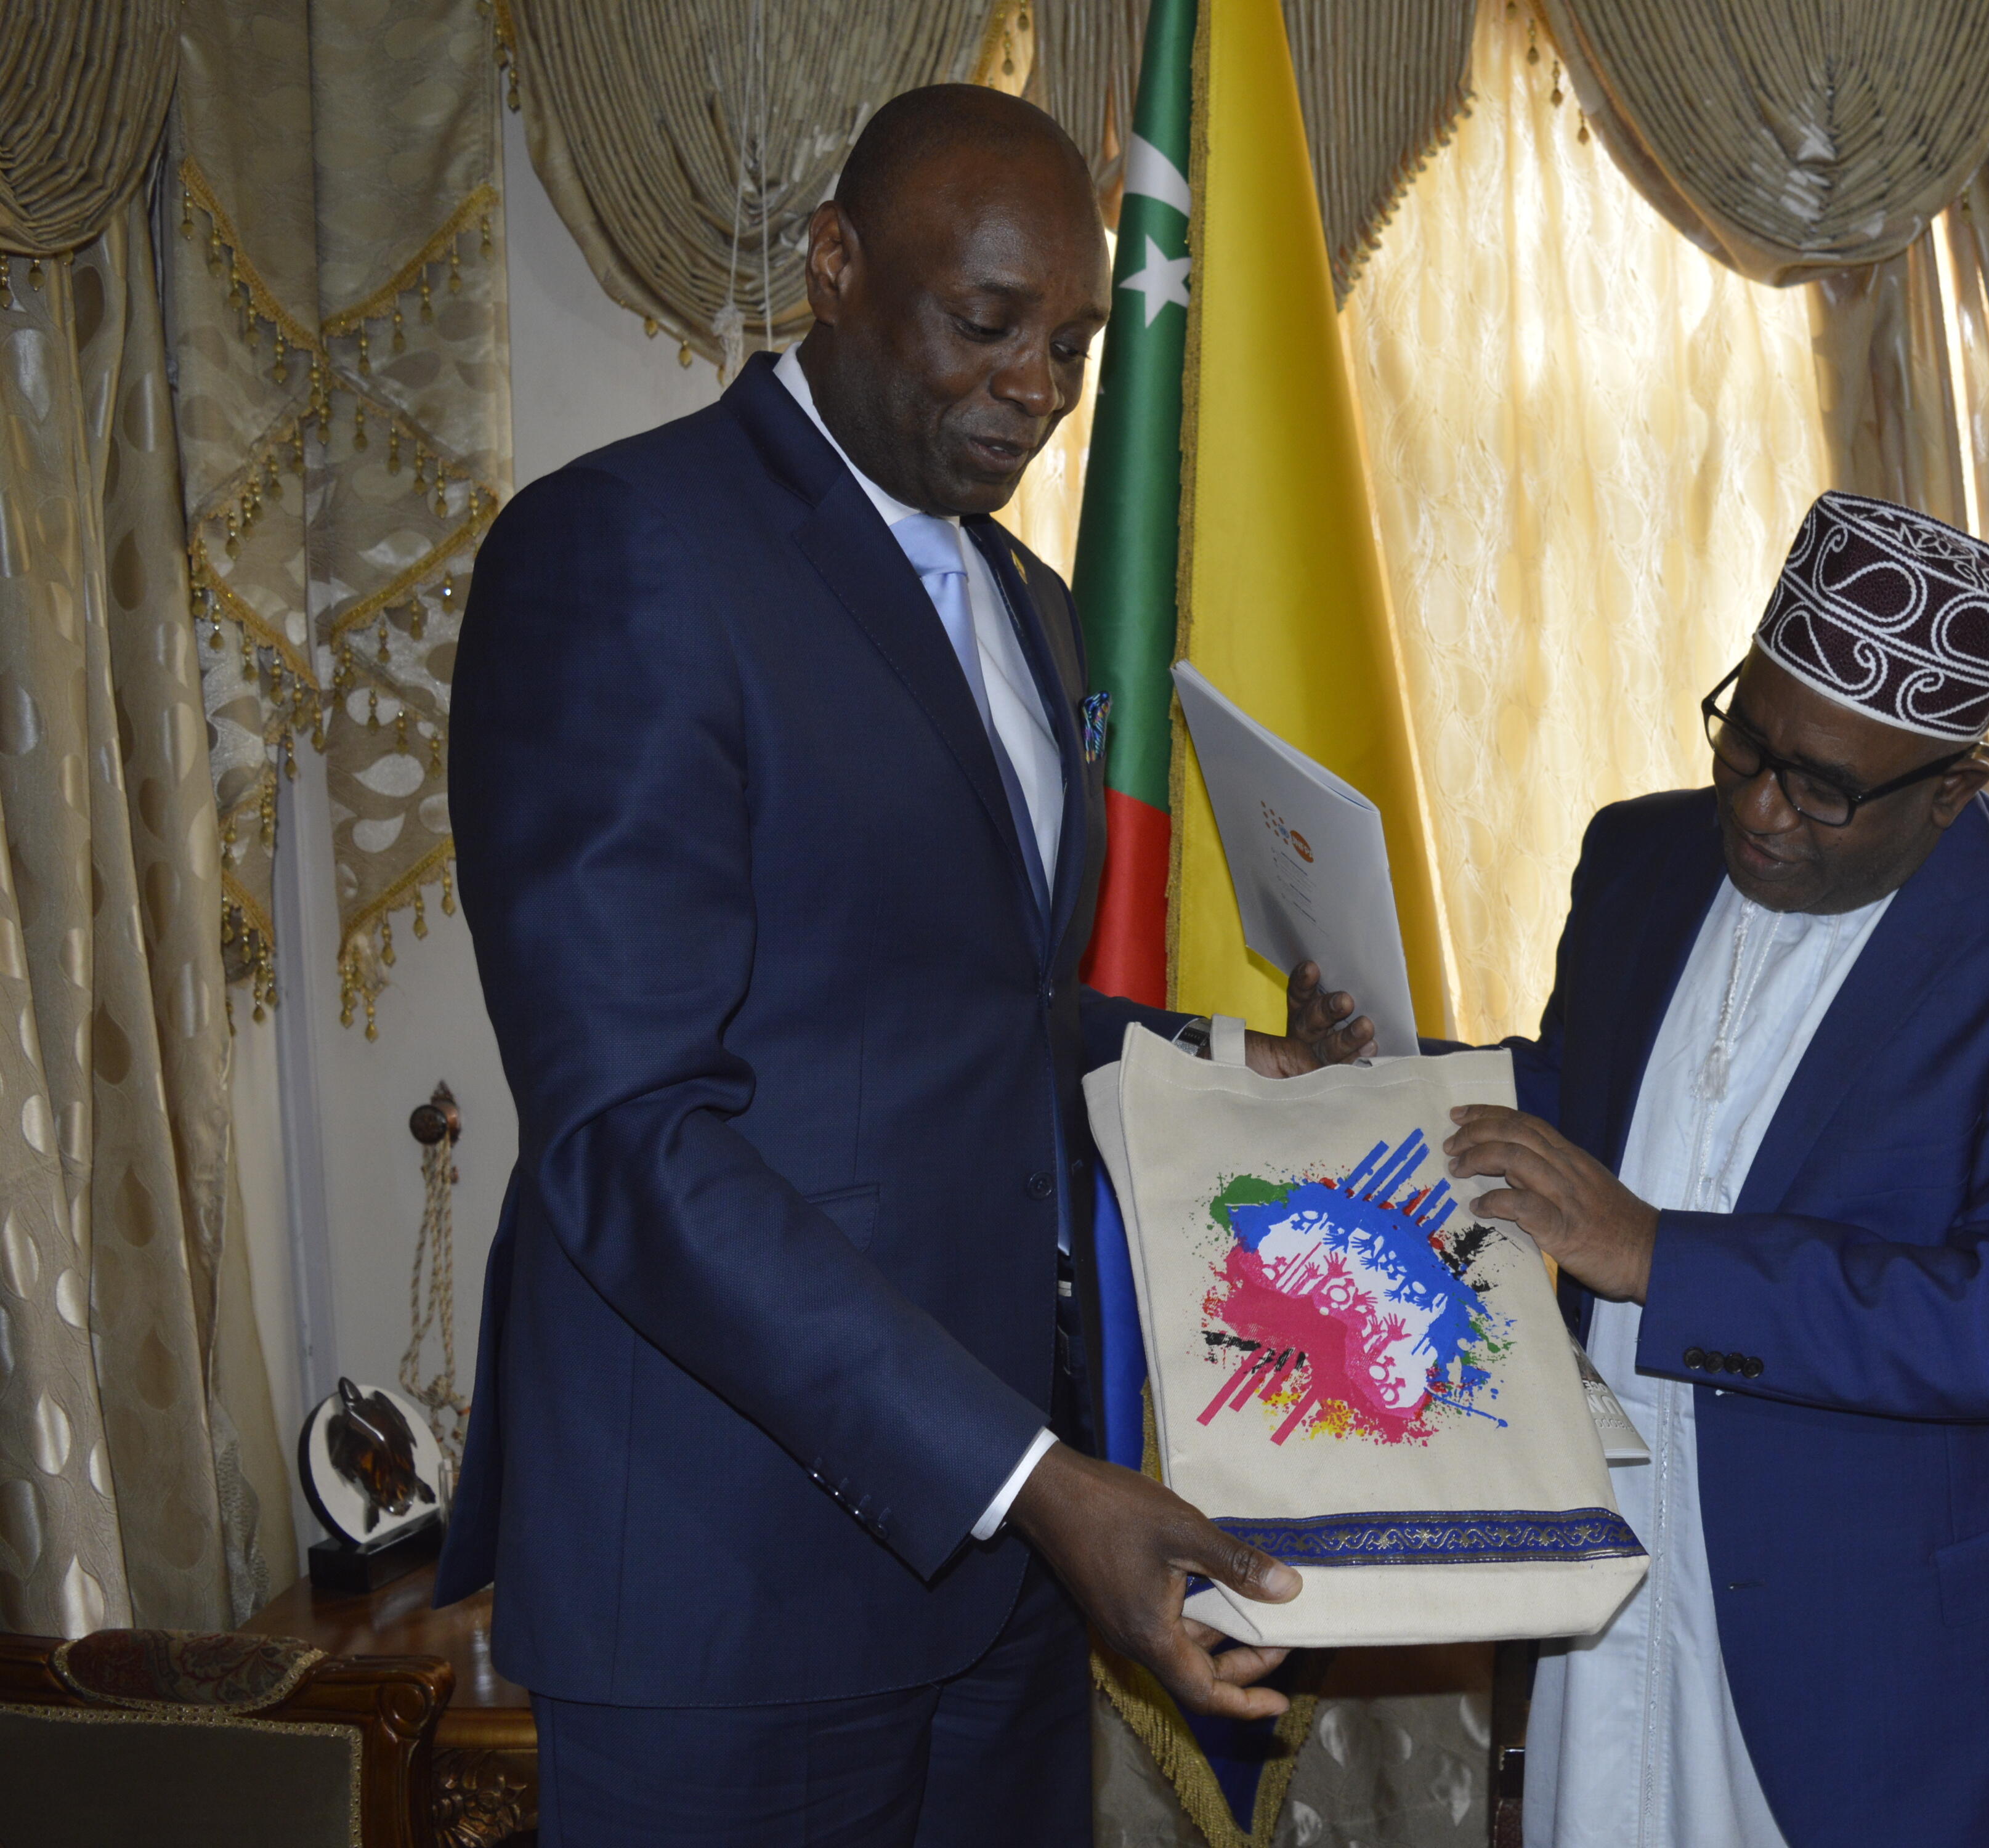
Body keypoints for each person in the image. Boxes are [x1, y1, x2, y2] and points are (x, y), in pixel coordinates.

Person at [437, 86, 1371, 1846]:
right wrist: (1030, 1483)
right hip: (735, 1585)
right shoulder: (624, 553)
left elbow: (972, 1010)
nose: (1038, 387)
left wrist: (1221, 1065)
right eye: (987, 324)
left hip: (998, 1584)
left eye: (1076, 345)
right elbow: (629, 1129)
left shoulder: (1026, 601)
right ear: (837, 264)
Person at [1443, 492, 1989, 1848]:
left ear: (1956, 787)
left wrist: (1658, 1260)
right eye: (1749, 746)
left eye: (1826, 789)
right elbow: (1593, 1102)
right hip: (1615, 1572)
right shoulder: (1643, 851)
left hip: (1883, 1665)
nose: (1764, 811)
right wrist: (1392, 1072)